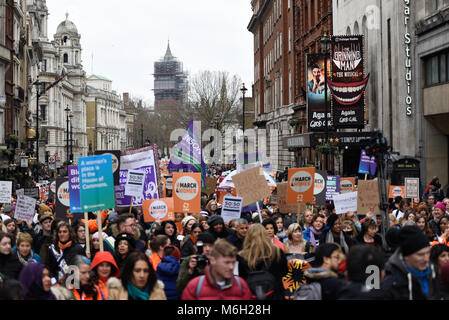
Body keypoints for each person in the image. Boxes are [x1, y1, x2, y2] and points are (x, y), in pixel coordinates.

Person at [382, 226, 440, 300]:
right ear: (406, 256)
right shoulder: (392, 282)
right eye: (420, 255)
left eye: (428, 253)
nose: (426, 259)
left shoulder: (434, 271)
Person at [181, 239, 252, 300]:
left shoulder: (241, 285)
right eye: (226, 263)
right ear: (212, 260)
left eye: (233, 262)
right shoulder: (195, 286)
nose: (231, 267)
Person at [238, 224, 288, 300]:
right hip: (275, 292)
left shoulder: (241, 255)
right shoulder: (277, 251)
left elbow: (240, 277)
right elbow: (285, 271)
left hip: (252, 293)